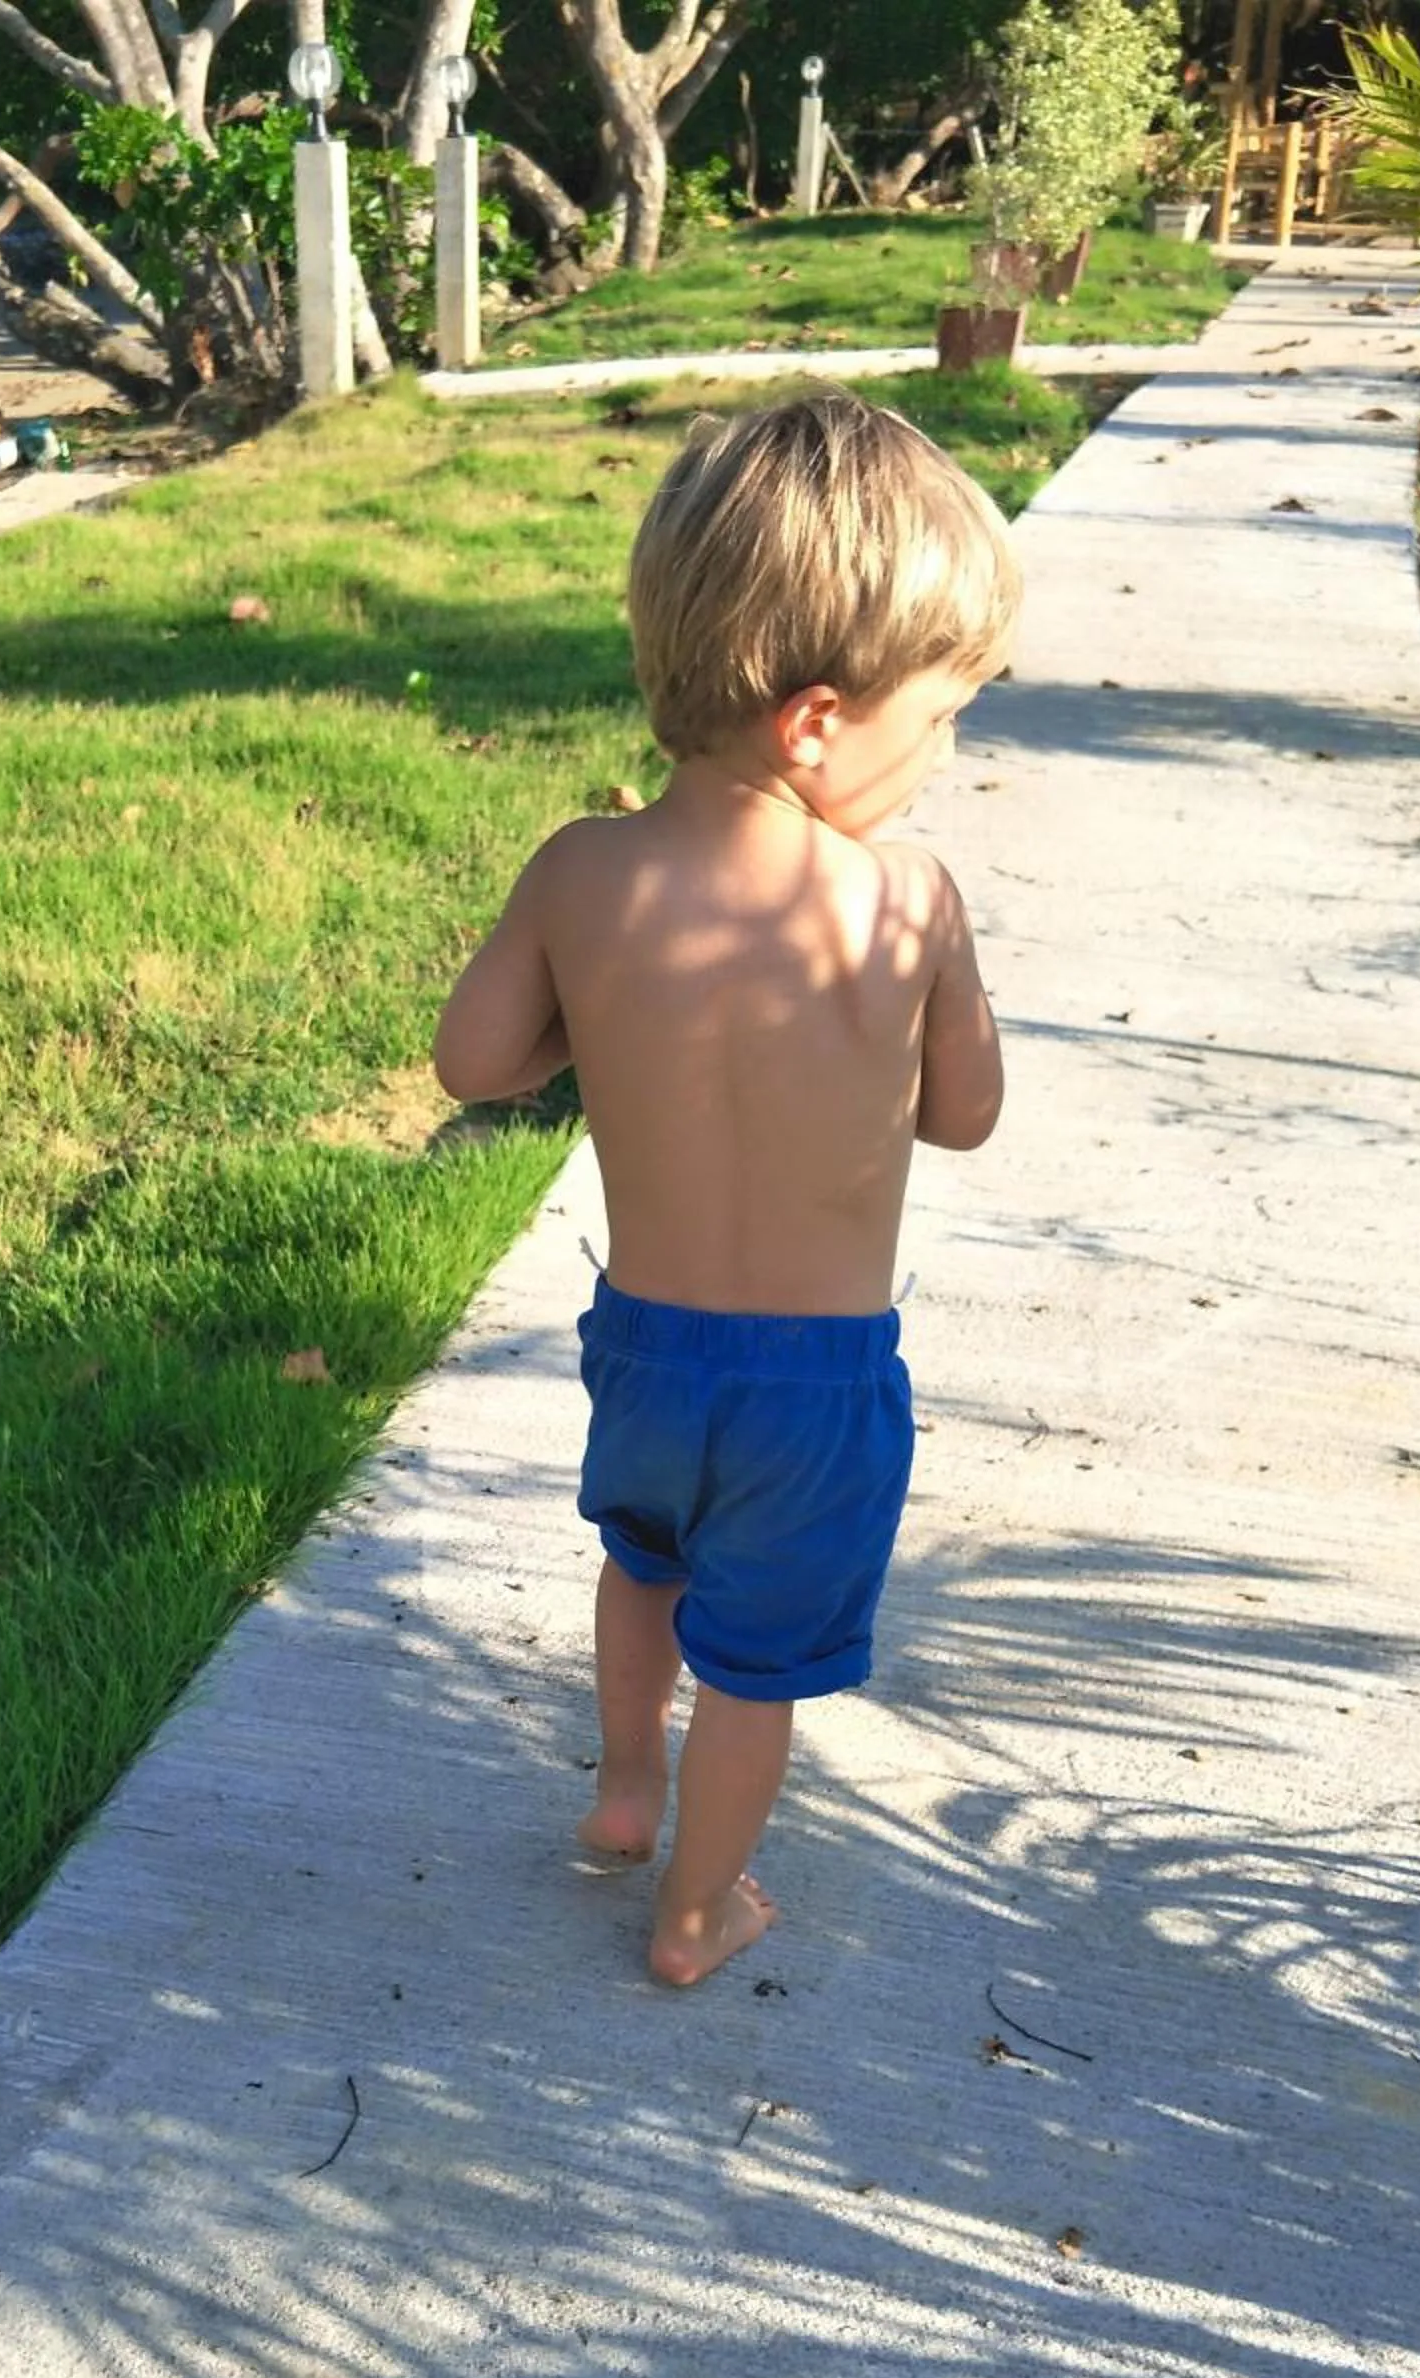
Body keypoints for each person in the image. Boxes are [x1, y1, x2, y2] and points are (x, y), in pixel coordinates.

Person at [432, 387, 1017, 1987]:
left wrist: (586, 1007)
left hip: (648, 1349)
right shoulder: (908, 899)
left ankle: (624, 1791)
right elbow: (964, 1117)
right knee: (752, 1667)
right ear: (817, 721)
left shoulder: (583, 868)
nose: (949, 750)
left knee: (643, 1563)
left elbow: (474, 1066)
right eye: (945, 712)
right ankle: (695, 1910)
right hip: (816, 1387)